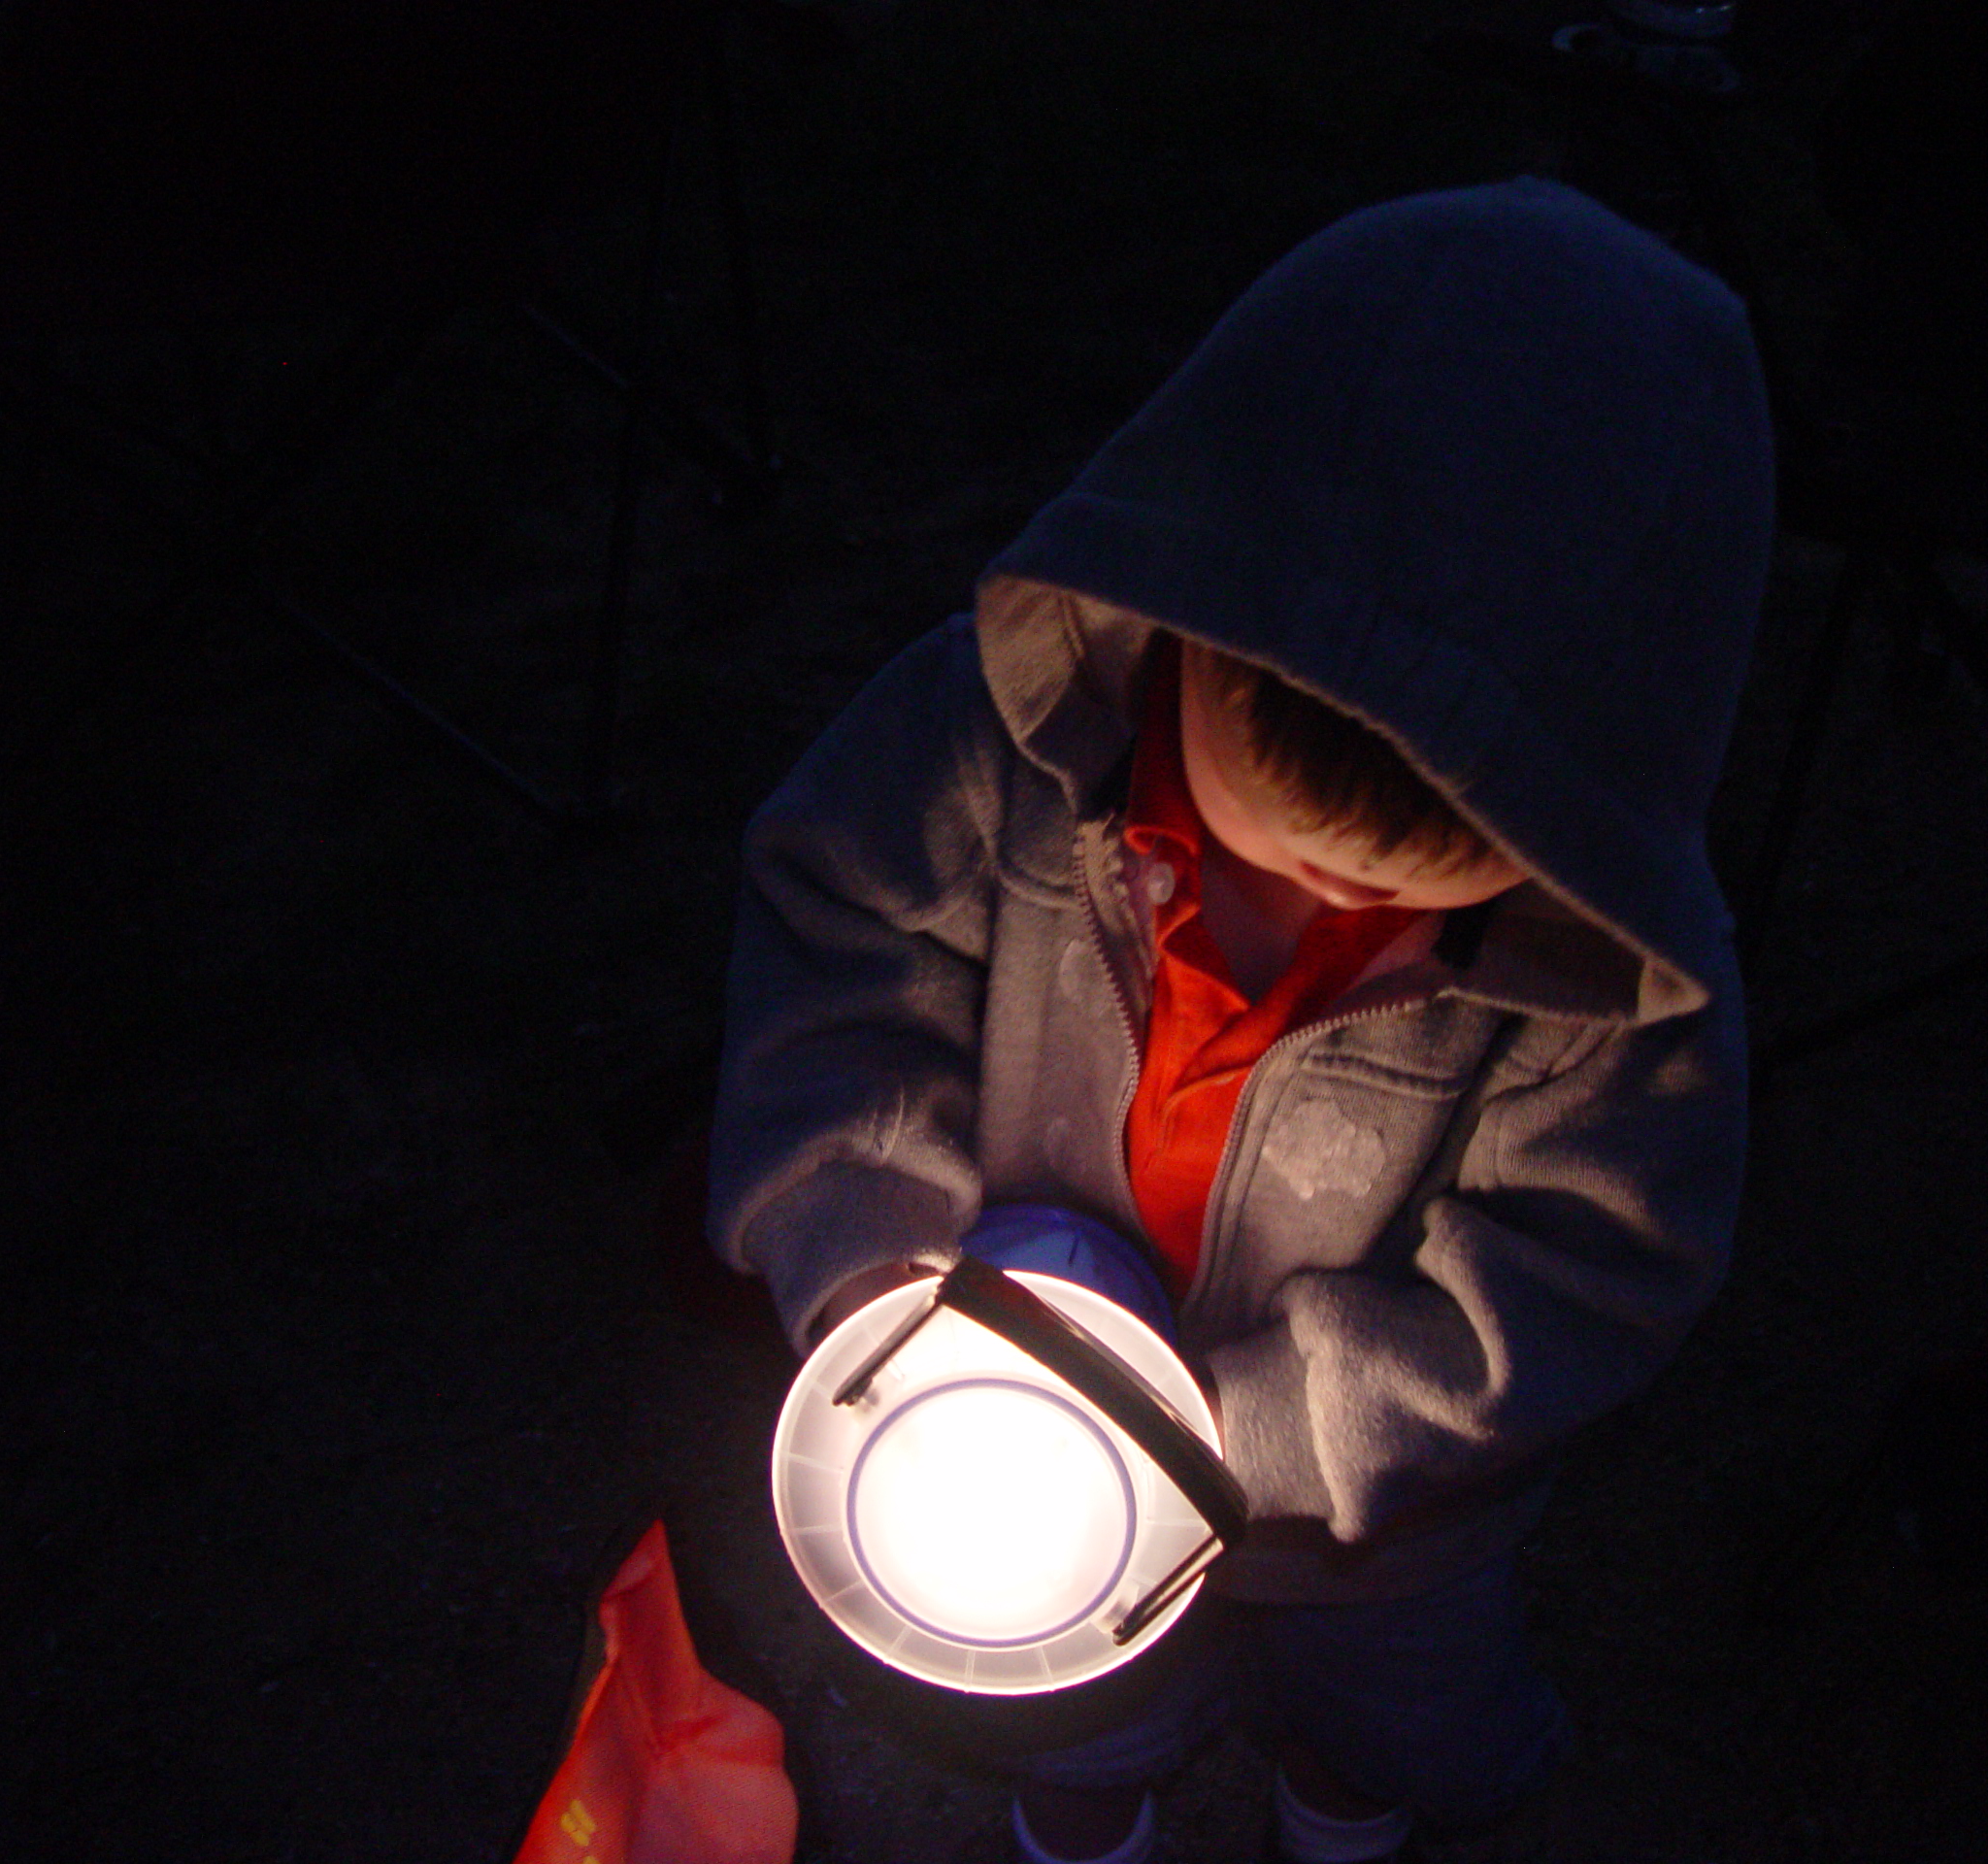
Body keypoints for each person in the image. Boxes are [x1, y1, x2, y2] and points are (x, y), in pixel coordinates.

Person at [707, 180, 1773, 1864]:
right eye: (1273, 819)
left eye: (1427, 866)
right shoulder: (987, 749)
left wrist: (1246, 1438)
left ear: (1587, 803)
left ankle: (1349, 1805)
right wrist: (864, 1255)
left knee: (1394, 1706)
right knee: (1073, 1693)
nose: (1330, 890)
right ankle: (1092, 1802)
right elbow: (836, 946)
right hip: (1011, 1435)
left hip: (1382, 1531)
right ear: (1174, 615)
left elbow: (1589, 1265)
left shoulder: (1606, 998)